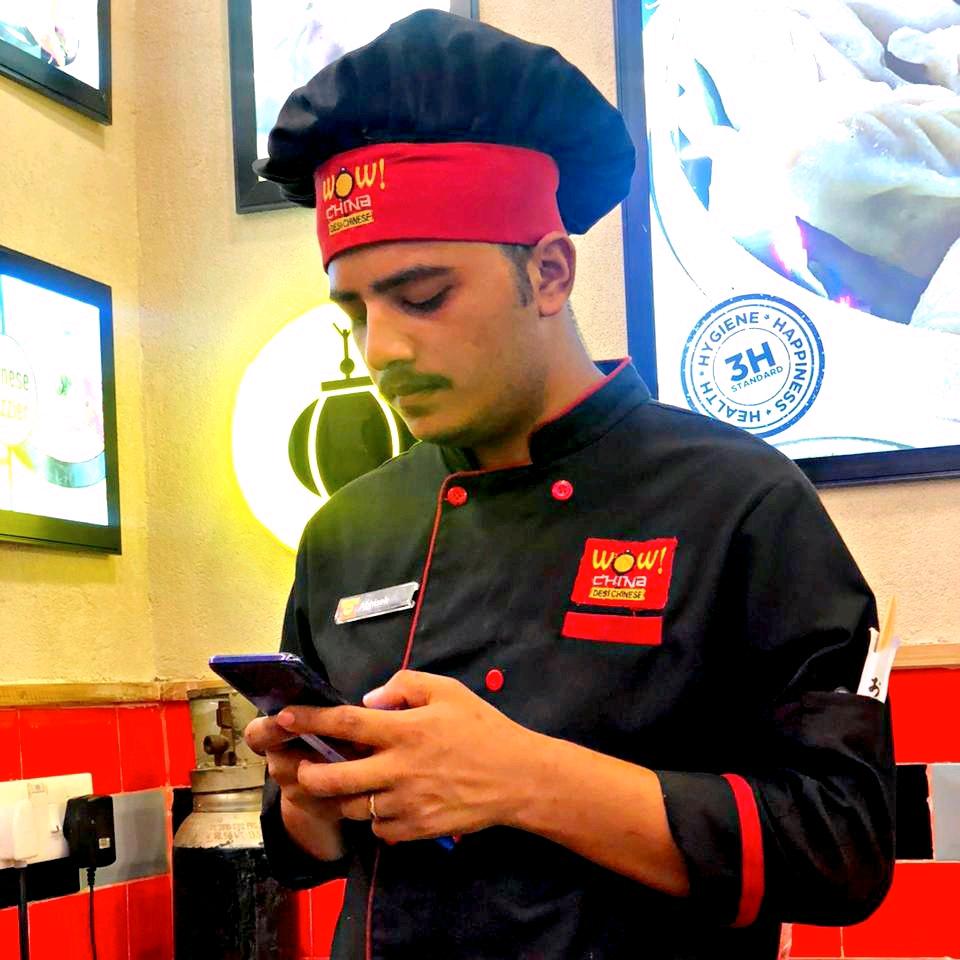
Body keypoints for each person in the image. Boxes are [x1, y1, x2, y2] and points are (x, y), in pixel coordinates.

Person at [244, 11, 895, 959]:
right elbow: (304, 849)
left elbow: (841, 847)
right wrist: (310, 801)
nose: (381, 349)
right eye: (355, 312)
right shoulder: (346, 530)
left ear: (549, 273)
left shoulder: (739, 502)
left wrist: (523, 777)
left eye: (422, 297)